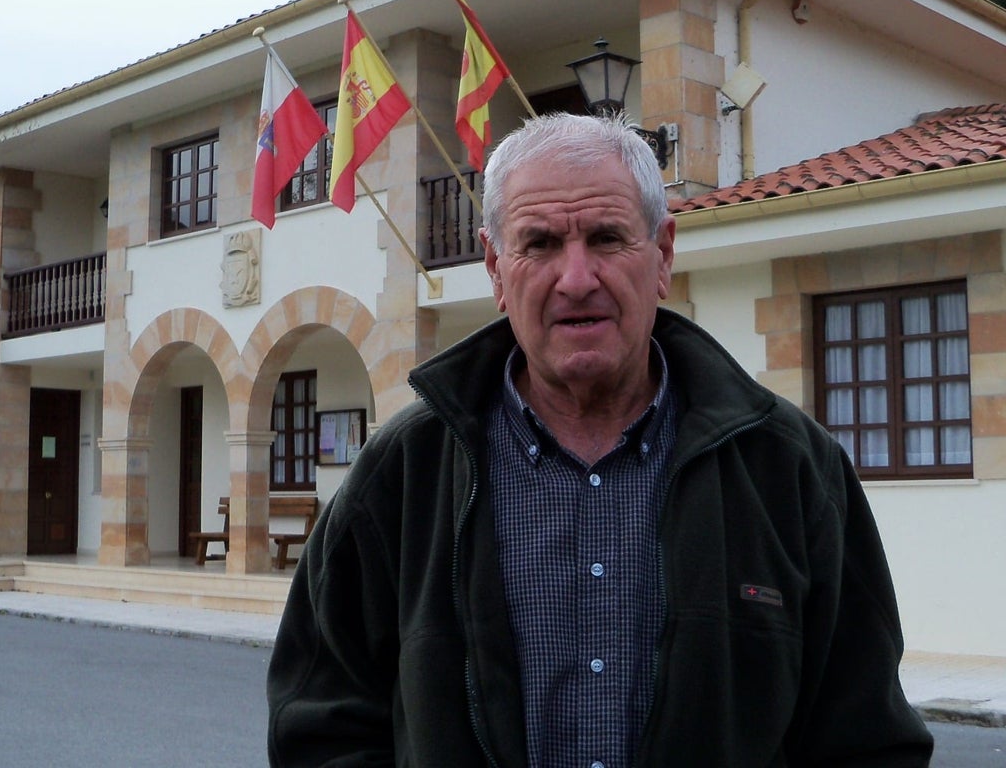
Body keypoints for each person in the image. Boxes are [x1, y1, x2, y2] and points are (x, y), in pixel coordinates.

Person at [267, 112, 934, 766]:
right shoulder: (404, 472)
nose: (577, 278)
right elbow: (322, 725)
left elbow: (865, 737)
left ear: (663, 254)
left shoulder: (789, 468)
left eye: (608, 238)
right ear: (497, 269)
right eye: (540, 244)